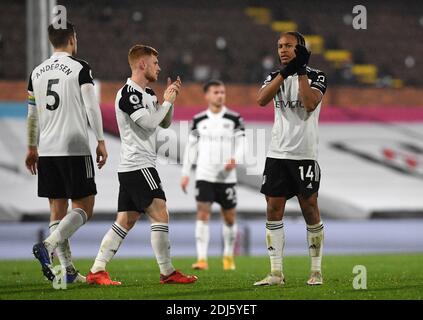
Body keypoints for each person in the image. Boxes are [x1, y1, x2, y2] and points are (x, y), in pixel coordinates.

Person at [86, 44, 197, 285]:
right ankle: (167, 272)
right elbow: (148, 123)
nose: (159, 67)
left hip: (134, 166)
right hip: (139, 165)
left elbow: (163, 123)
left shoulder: (148, 94)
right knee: (160, 213)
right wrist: (165, 103)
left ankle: (97, 270)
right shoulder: (129, 94)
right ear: (142, 64)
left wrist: (170, 100)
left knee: (126, 220)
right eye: (155, 63)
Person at [27, 22, 108, 283]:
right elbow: (91, 106)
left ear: (52, 41)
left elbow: (32, 115)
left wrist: (31, 147)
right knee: (85, 205)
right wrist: (100, 139)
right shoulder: (80, 68)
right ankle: (48, 245)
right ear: (72, 39)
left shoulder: (36, 72)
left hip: (47, 148)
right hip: (74, 146)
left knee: (57, 208)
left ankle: (67, 272)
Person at [254, 32, 328, 286]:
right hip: (277, 154)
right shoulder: (276, 76)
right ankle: (276, 273)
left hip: (304, 155)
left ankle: (316, 271)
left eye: (288, 46)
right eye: (279, 46)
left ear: (301, 49)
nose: (283, 50)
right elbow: (261, 100)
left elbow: (309, 104)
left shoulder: (317, 76)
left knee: (310, 210)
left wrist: (301, 72)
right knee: (273, 210)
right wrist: (286, 73)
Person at [181, 80, 246, 271]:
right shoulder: (199, 120)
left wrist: (236, 158)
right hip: (205, 175)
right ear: (207, 96)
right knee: (202, 213)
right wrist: (185, 173)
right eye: (216, 92)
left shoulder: (234, 118)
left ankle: (227, 256)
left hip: (227, 178)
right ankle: (202, 259)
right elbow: (190, 149)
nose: (220, 95)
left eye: (222, 92)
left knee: (230, 218)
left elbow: (243, 143)